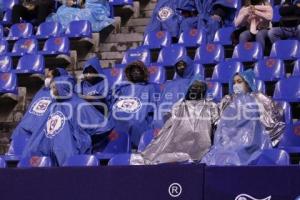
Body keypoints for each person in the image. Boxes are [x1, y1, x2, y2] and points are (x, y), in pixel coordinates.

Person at [22, 75, 114, 166]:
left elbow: (103, 127)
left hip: (68, 152)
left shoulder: (79, 105)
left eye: (54, 87)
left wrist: (84, 139)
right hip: (48, 152)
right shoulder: (54, 105)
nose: (51, 90)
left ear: (62, 87)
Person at [201, 69, 286, 166]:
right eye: (234, 82)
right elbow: (221, 125)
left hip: (252, 143)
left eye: (239, 82)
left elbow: (272, 119)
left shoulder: (259, 99)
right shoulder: (228, 101)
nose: (235, 85)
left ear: (248, 83)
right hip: (228, 143)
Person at [130, 78, 219, 165]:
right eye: (193, 88)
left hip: (200, 142)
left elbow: (216, 125)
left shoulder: (211, 106)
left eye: (200, 88)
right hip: (177, 139)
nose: (196, 90)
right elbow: (168, 126)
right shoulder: (179, 105)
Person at [7, 68, 68, 155]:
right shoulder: (41, 91)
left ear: (57, 79)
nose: (46, 79)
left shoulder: (60, 95)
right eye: (46, 77)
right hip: (24, 129)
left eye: (49, 77)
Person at [108, 61, 159, 148]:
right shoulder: (123, 88)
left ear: (143, 72)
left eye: (138, 71)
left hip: (139, 118)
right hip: (122, 116)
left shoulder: (150, 88)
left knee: (133, 124)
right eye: (133, 71)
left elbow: (151, 108)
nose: (135, 73)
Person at [157, 56, 195, 126]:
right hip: (165, 123)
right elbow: (160, 106)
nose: (181, 68)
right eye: (178, 66)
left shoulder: (196, 82)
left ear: (189, 66)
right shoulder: (168, 85)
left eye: (183, 65)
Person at [47, 0, 115, 32]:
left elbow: (87, 4)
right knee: (60, 14)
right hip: (75, 8)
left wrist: (76, 3)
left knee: (82, 15)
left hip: (95, 9)